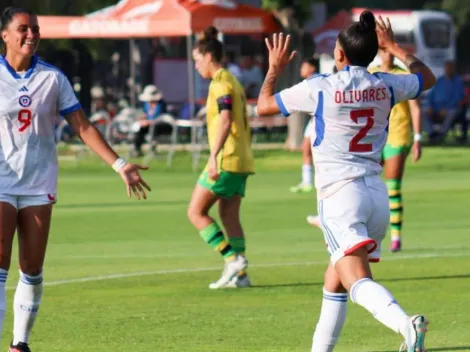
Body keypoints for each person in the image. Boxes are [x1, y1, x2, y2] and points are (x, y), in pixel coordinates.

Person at [256, 11, 435, 351]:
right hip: (375, 197)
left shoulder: (320, 87)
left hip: (341, 197)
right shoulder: (386, 83)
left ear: (339, 54)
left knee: (356, 282)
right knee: (334, 280)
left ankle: (407, 326)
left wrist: (275, 68)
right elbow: (426, 78)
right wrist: (394, 47)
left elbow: (264, 105)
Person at [0, 7, 150, 352]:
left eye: (35, 29)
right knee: (0, 262)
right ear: (5, 34)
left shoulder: (53, 78)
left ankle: (20, 343)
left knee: (32, 267)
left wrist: (120, 164)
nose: (31, 35)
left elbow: (82, 126)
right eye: (23, 29)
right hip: (2, 181)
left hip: (39, 183)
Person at [307, 48, 423, 253]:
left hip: (398, 136)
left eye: (390, 52)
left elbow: (415, 107)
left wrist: (417, 138)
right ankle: (338, 219)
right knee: (359, 180)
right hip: (376, 139)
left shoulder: (401, 76)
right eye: (384, 51)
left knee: (393, 187)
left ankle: (396, 237)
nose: (387, 55)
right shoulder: (373, 75)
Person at [187, 26, 254, 289]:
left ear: (209, 58)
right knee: (229, 215)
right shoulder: (232, 79)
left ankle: (231, 259)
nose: (196, 66)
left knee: (195, 211)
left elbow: (226, 118)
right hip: (242, 159)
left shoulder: (221, 82)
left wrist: (213, 156)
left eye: (197, 60)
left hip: (227, 158)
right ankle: (241, 276)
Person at [290, 57, 319, 193]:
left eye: (304, 66)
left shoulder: (316, 81)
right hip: (313, 119)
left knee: (310, 149)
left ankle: (313, 181)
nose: (302, 69)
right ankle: (307, 181)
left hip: (319, 119)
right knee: (306, 149)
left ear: (312, 68)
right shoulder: (307, 82)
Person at [422, 60, 465, 143]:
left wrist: (446, 108)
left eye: (450, 68)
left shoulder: (458, 81)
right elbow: (431, 95)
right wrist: (430, 106)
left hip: (450, 108)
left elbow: (457, 98)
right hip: (436, 108)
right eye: (446, 68)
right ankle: (432, 134)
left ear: (453, 69)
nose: (448, 70)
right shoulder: (440, 80)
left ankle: (441, 134)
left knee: (452, 112)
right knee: (421, 112)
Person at [133, 84, 169, 157]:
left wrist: (148, 122)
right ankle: (137, 149)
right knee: (140, 130)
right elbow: (146, 114)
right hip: (149, 126)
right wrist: (142, 118)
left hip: (160, 126)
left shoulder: (161, 105)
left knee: (151, 128)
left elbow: (161, 118)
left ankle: (153, 146)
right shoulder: (147, 104)